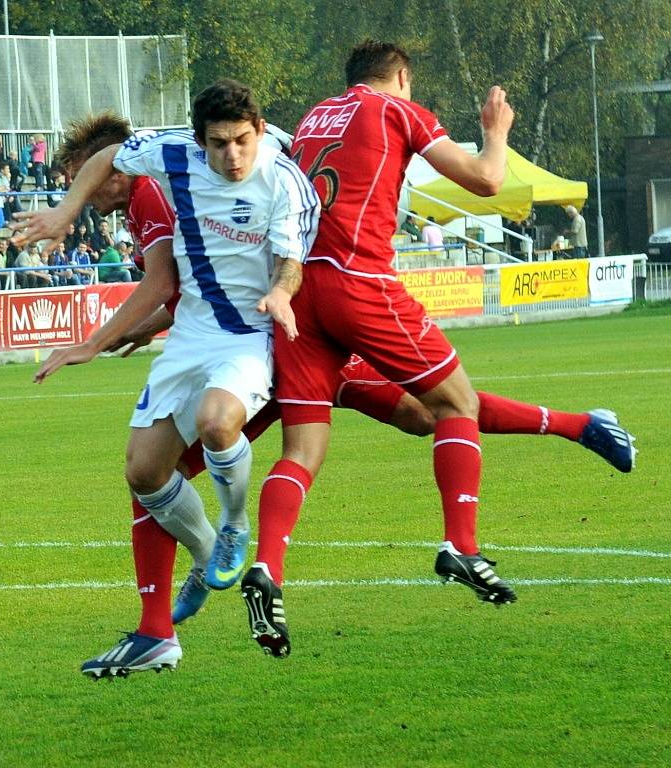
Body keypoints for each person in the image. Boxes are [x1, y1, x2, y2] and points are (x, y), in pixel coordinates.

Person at [238, 40, 636, 658]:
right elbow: (485, 179)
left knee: (322, 443)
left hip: (295, 293)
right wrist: (495, 132)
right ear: (400, 76)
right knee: (456, 405)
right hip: (358, 282)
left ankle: (267, 568)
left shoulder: (316, 117)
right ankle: (461, 544)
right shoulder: (397, 109)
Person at [12, 83, 320, 679]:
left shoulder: (283, 181)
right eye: (218, 144)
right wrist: (64, 211)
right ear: (199, 140)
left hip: (248, 334)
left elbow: (287, 261)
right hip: (190, 338)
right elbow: (111, 157)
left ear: (258, 130)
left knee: (216, 422)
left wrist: (281, 295)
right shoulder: (173, 155)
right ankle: (202, 561)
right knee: (143, 471)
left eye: (242, 141)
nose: (231, 156)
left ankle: (232, 526)